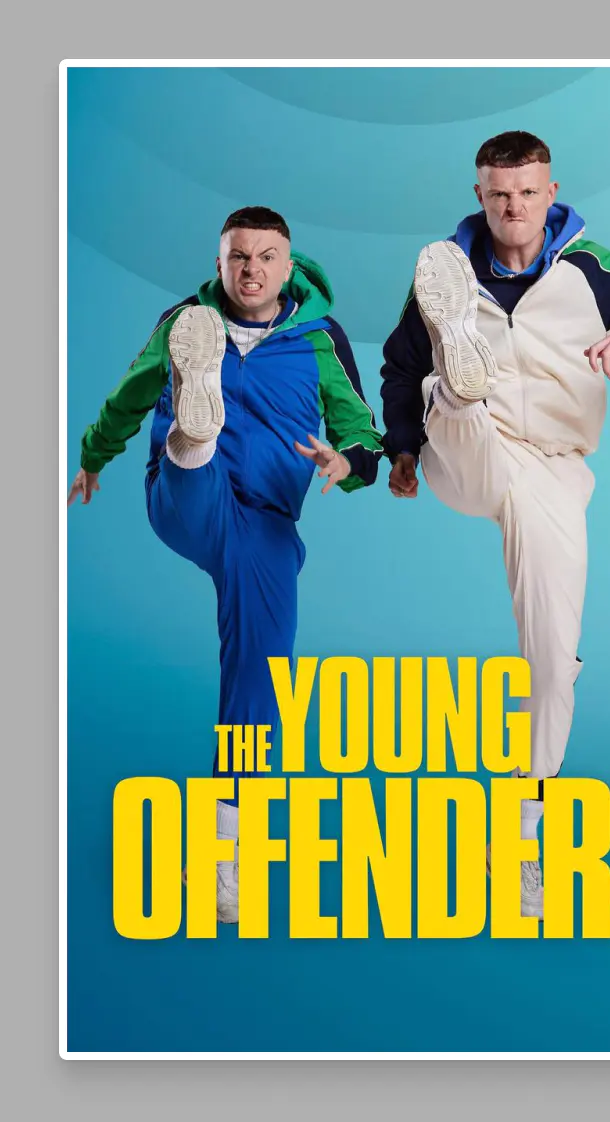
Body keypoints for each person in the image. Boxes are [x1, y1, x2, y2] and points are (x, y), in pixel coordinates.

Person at [378, 131, 610, 918]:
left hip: (554, 467)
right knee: (454, 401)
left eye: (527, 193)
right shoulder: (444, 272)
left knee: (554, 656)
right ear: (479, 195)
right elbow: (398, 367)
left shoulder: (594, 269)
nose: (513, 208)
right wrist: (401, 449)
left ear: (550, 192)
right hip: (467, 450)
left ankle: (525, 835)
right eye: (499, 195)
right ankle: (461, 374)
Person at [69, 206, 382, 923]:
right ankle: (194, 431)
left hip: (267, 520)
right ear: (219, 263)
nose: (251, 270)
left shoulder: (320, 338)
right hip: (187, 499)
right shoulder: (184, 321)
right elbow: (127, 395)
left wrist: (348, 463)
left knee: (261, 669)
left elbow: (360, 428)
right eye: (239, 257)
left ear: (288, 266)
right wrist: (93, 455)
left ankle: (225, 849)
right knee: (191, 469)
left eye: (266, 257)